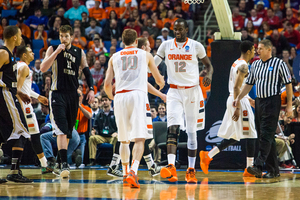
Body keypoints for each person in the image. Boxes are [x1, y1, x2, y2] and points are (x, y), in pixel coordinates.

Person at [154, 18, 213, 183]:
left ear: (186, 29)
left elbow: (209, 66)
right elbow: (154, 63)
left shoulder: (196, 46)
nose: (177, 32)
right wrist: (147, 67)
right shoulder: (166, 45)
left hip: (192, 91)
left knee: (192, 132)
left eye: (180, 29)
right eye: (175, 29)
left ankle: (191, 169)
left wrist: (208, 75)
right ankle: (172, 167)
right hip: (174, 91)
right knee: (172, 128)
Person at [104, 29, 164, 188]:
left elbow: (107, 84)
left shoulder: (114, 57)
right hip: (137, 96)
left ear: (122, 41)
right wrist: (162, 83)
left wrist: (111, 97)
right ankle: (133, 171)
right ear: (136, 42)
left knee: (124, 139)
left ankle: (125, 174)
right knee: (140, 139)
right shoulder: (145, 55)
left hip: (120, 97)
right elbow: (158, 80)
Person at [40, 25, 95, 178]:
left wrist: (91, 88)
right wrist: (57, 51)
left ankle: (58, 163)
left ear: (72, 37)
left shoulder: (79, 52)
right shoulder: (53, 49)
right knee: (61, 130)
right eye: (61, 36)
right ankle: (64, 164)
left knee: (69, 131)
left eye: (66, 36)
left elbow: (86, 71)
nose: (63, 39)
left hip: (73, 95)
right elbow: (44, 68)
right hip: (57, 94)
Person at [233, 39, 293, 178]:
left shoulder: (279, 64)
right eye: (257, 48)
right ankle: (273, 170)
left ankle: (258, 166)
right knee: (265, 135)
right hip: (259, 102)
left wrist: (289, 105)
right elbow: (248, 83)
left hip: (273, 101)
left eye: (260, 48)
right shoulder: (255, 64)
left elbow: (288, 84)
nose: (257, 51)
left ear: (268, 50)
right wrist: (238, 98)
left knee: (266, 134)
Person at [199, 41, 257, 177]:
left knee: (236, 135)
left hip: (237, 99)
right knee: (252, 134)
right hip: (237, 100)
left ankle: (208, 155)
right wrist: (238, 105)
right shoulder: (243, 66)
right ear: (249, 51)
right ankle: (249, 168)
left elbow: (238, 87)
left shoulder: (236, 62)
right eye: (254, 49)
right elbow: (236, 87)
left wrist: (248, 99)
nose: (255, 52)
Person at [0, 26, 32, 183]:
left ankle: (14, 170)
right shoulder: (3, 52)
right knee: (22, 129)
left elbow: (7, 79)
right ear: (13, 37)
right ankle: (13, 171)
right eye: (20, 35)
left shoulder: (9, 54)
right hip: (5, 96)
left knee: (2, 133)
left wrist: (19, 93)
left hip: (10, 94)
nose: (21, 37)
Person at [16, 45, 54, 174]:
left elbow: (24, 89)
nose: (33, 53)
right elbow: (18, 90)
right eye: (30, 52)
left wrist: (38, 96)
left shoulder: (18, 66)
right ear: (24, 55)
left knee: (20, 135)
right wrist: (23, 105)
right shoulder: (24, 68)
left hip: (18, 104)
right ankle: (44, 165)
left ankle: (44, 164)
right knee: (34, 134)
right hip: (24, 106)